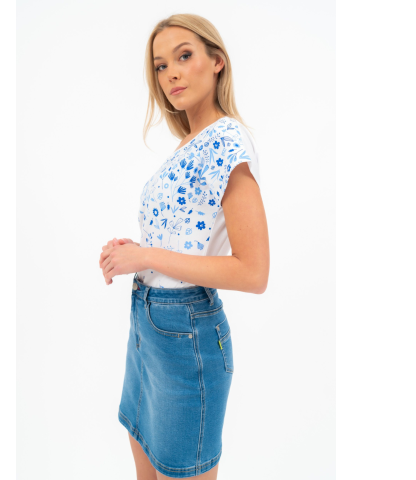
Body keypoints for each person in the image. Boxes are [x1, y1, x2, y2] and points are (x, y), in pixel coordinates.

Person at [99, 13, 270, 480]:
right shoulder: (188, 144)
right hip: (147, 325)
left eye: (184, 56)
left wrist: (147, 257)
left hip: (186, 335)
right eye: (160, 65)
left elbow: (253, 273)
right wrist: (134, 252)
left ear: (217, 61)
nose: (171, 73)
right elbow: (190, 242)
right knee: (145, 464)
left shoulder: (227, 142)